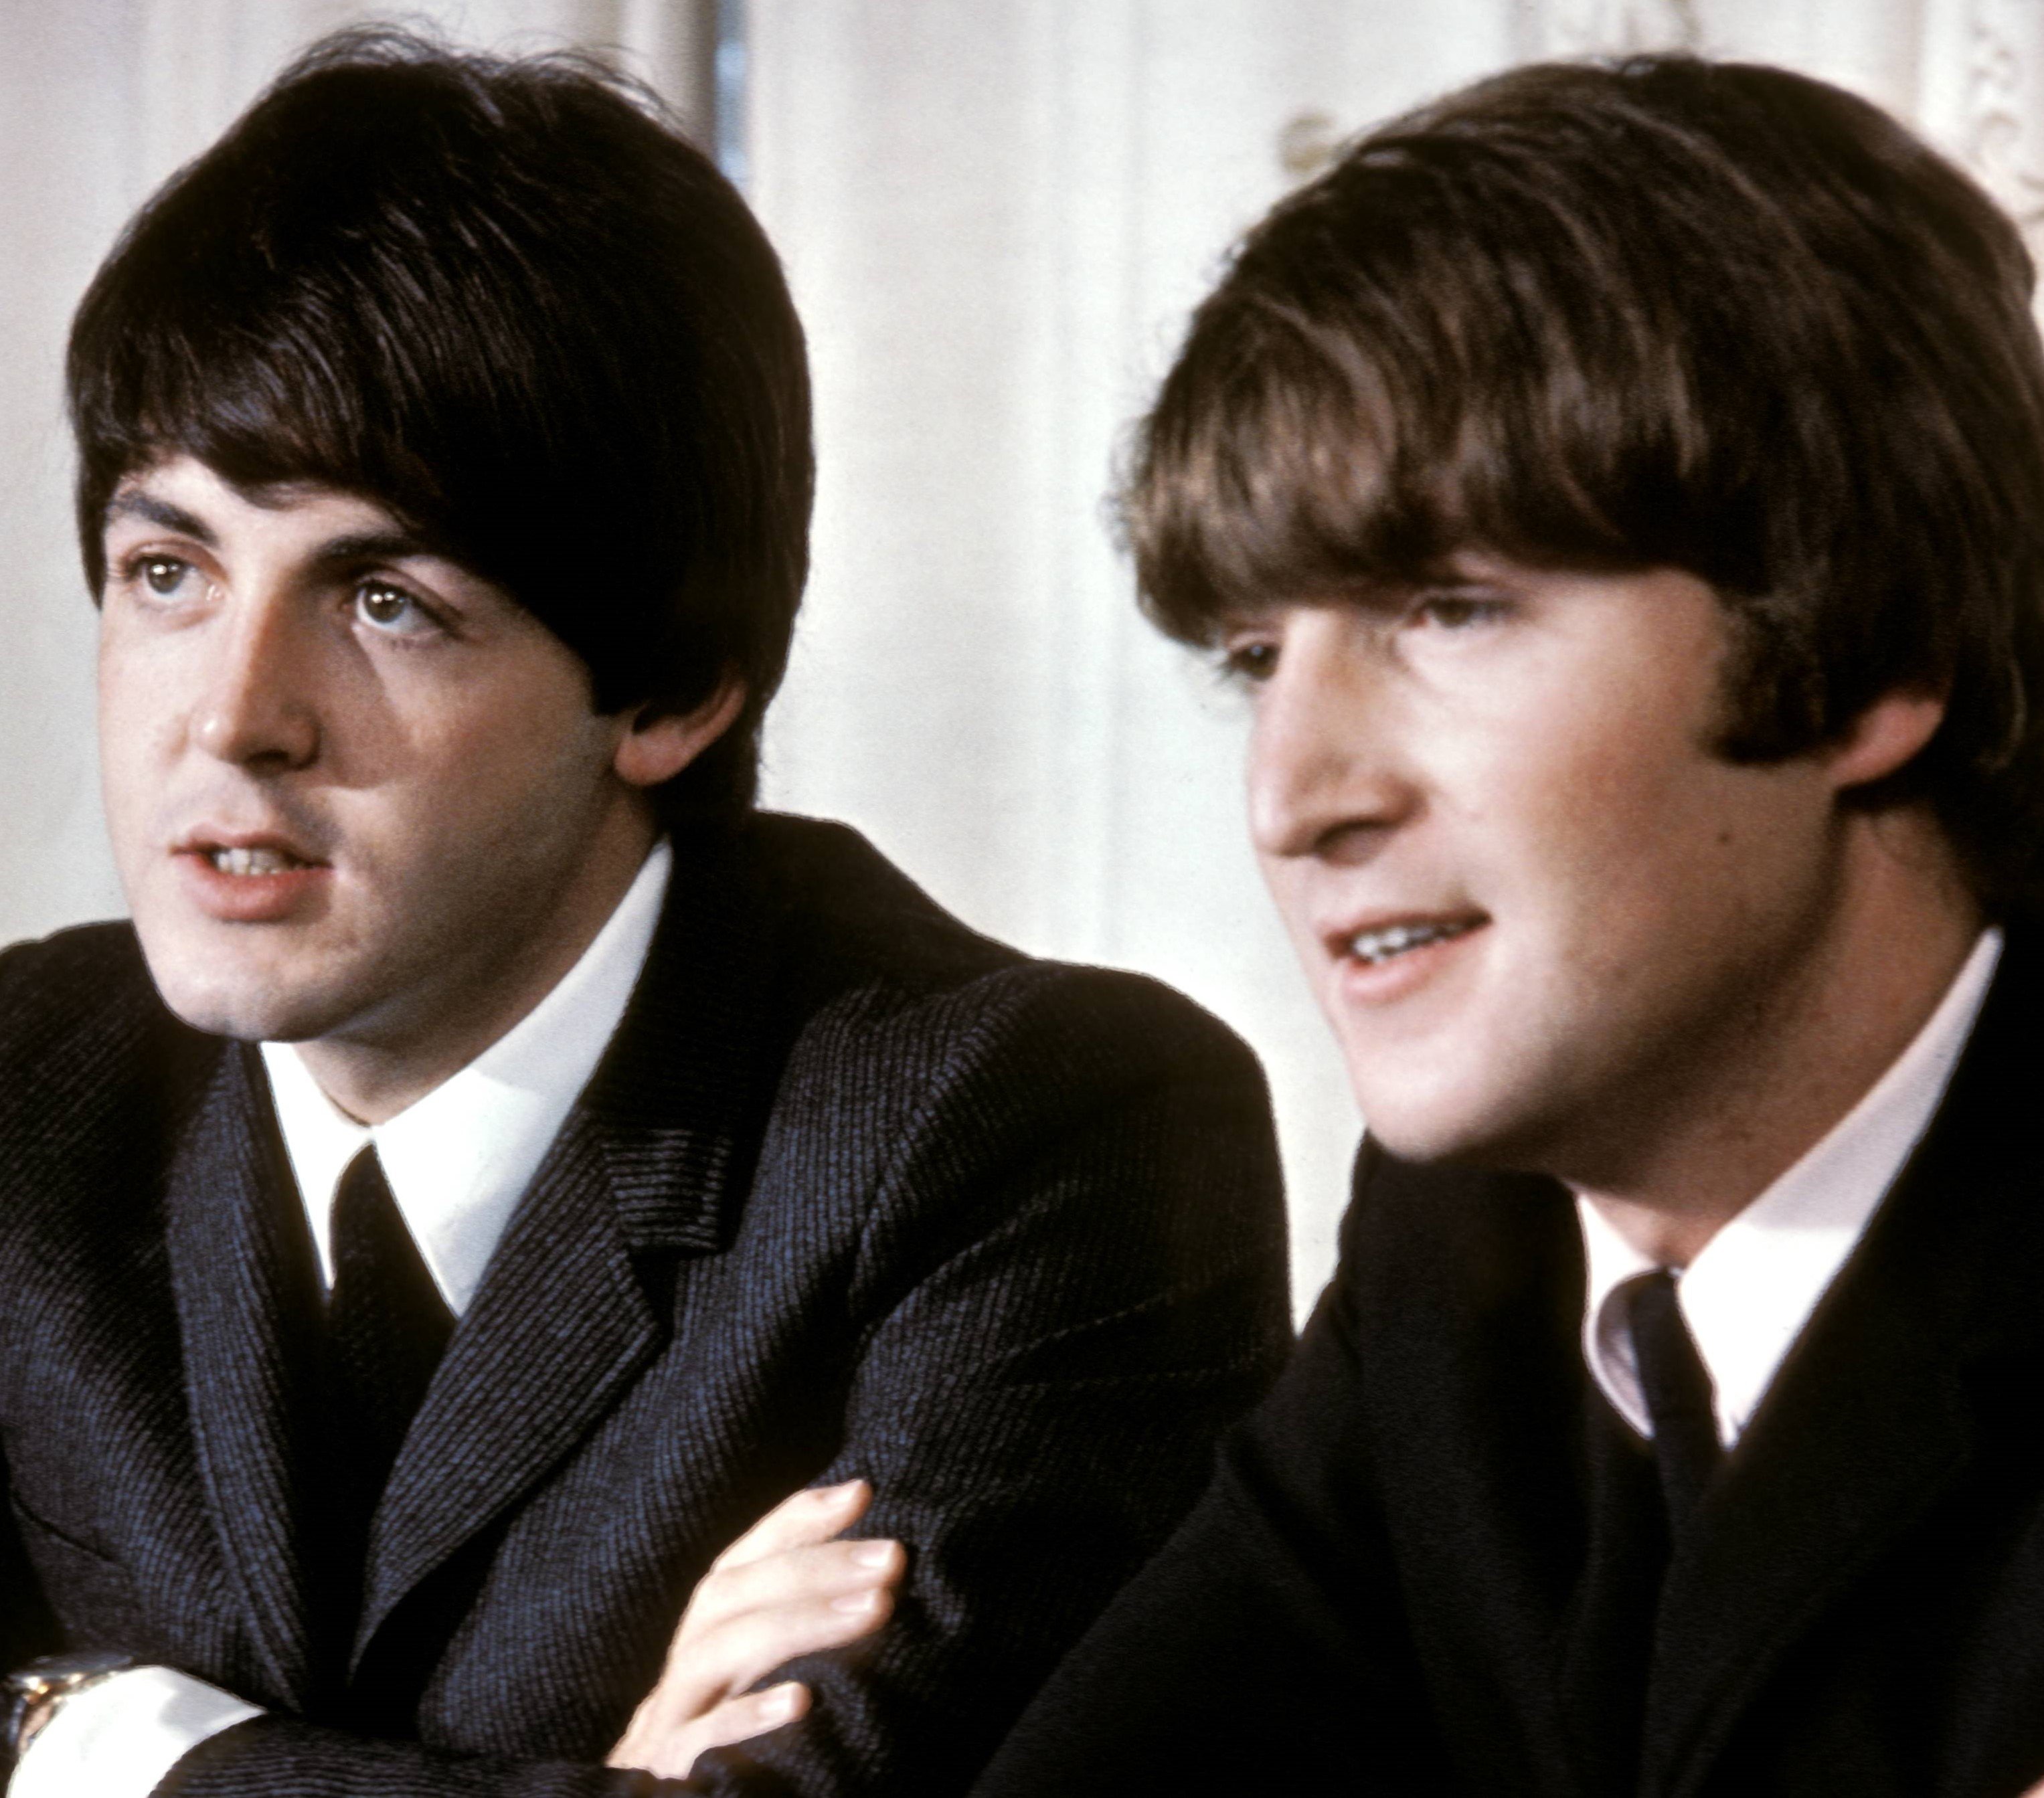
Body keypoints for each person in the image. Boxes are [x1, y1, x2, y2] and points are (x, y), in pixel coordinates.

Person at [952, 55, 2044, 1796]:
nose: (1289, 795)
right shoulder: (1457, 1255)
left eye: (1448, 610)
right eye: (1253, 662)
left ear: (1868, 659)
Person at [0, 29, 1289, 1798]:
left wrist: (109, 1746)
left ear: (670, 690)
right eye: (168, 572)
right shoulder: (22, 1086)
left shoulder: (1035, 1135)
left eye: (380, 598)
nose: (228, 716)